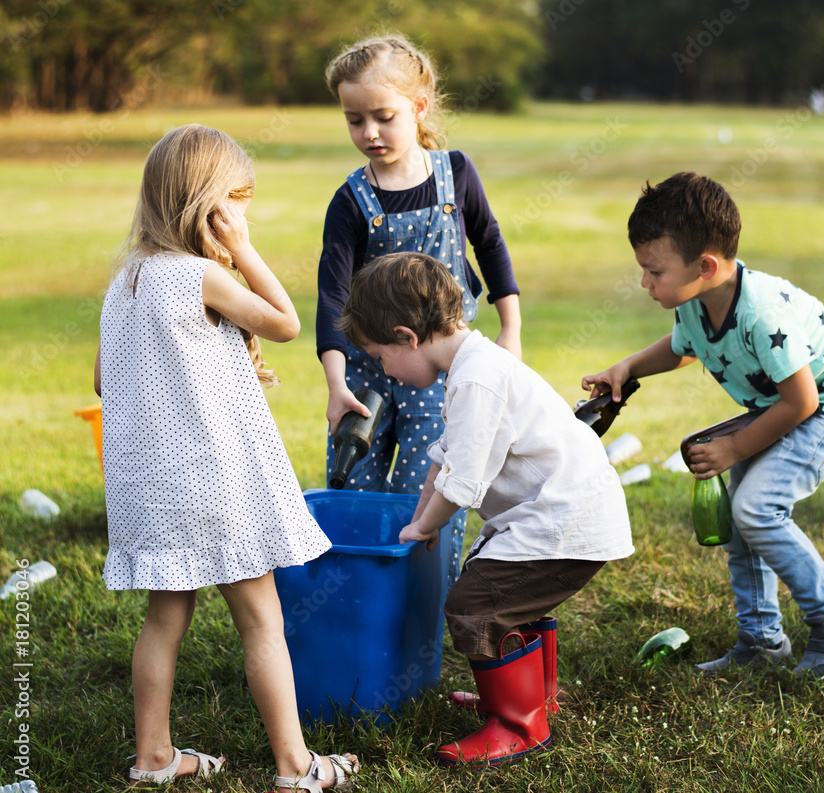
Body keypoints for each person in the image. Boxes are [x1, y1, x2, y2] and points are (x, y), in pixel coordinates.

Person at [95, 124, 358, 791]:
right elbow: (286, 320)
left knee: (164, 617)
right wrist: (243, 249)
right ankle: (297, 766)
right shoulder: (200, 273)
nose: (244, 216)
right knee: (262, 617)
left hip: (153, 489)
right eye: (238, 203)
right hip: (216, 484)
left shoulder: (125, 283)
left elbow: (105, 377)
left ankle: (153, 754)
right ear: (208, 205)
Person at [582, 172, 824, 680]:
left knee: (755, 507)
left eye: (654, 271)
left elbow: (802, 400)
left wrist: (734, 448)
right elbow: (683, 347)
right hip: (782, 406)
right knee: (744, 515)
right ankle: (762, 639)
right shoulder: (700, 301)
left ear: (705, 265)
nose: (644, 282)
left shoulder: (761, 313)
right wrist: (628, 368)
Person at [340, 252, 633, 766]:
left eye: (381, 356)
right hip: (560, 515)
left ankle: (517, 726)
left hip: (566, 519)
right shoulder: (472, 365)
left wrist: (424, 527)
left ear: (408, 336)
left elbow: (464, 482)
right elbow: (445, 460)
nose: (384, 370)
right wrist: (417, 519)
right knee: (513, 600)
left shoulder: (477, 378)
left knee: (476, 606)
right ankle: (528, 699)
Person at [317, 34, 523, 588]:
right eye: (354, 120)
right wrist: (338, 385)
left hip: (441, 380)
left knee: (424, 496)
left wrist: (511, 329)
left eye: (382, 117)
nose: (369, 133)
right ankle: (356, 601)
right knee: (352, 490)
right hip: (366, 376)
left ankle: (420, 611)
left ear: (419, 107)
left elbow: (491, 244)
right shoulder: (350, 201)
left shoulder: (456, 175)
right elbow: (331, 296)